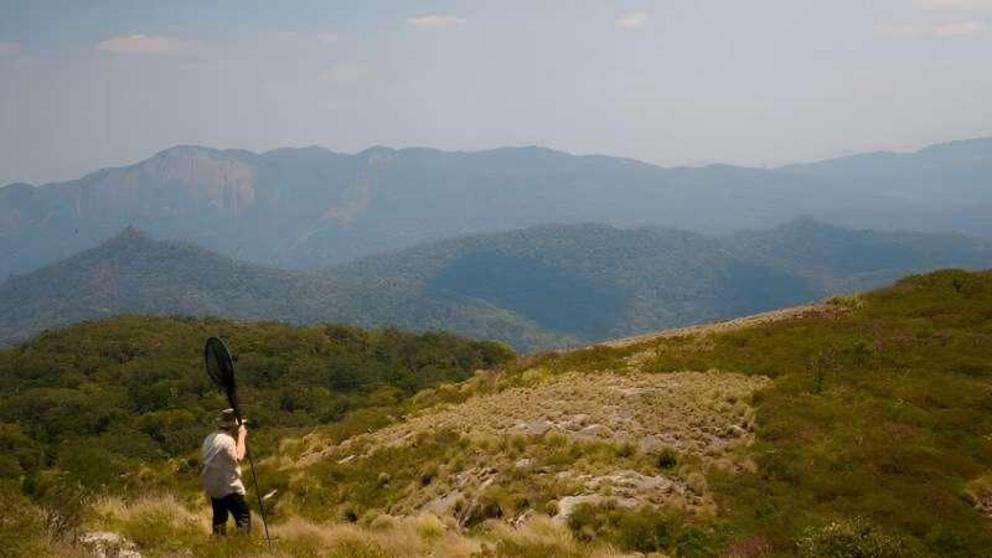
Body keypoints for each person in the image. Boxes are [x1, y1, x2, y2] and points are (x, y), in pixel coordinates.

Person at [201, 408, 251, 535]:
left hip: (213, 486)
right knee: (243, 516)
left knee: (219, 518)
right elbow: (239, 456)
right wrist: (242, 436)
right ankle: (243, 546)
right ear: (234, 426)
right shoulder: (227, 441)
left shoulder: (209, 438)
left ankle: (219, 544)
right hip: (228, 486)